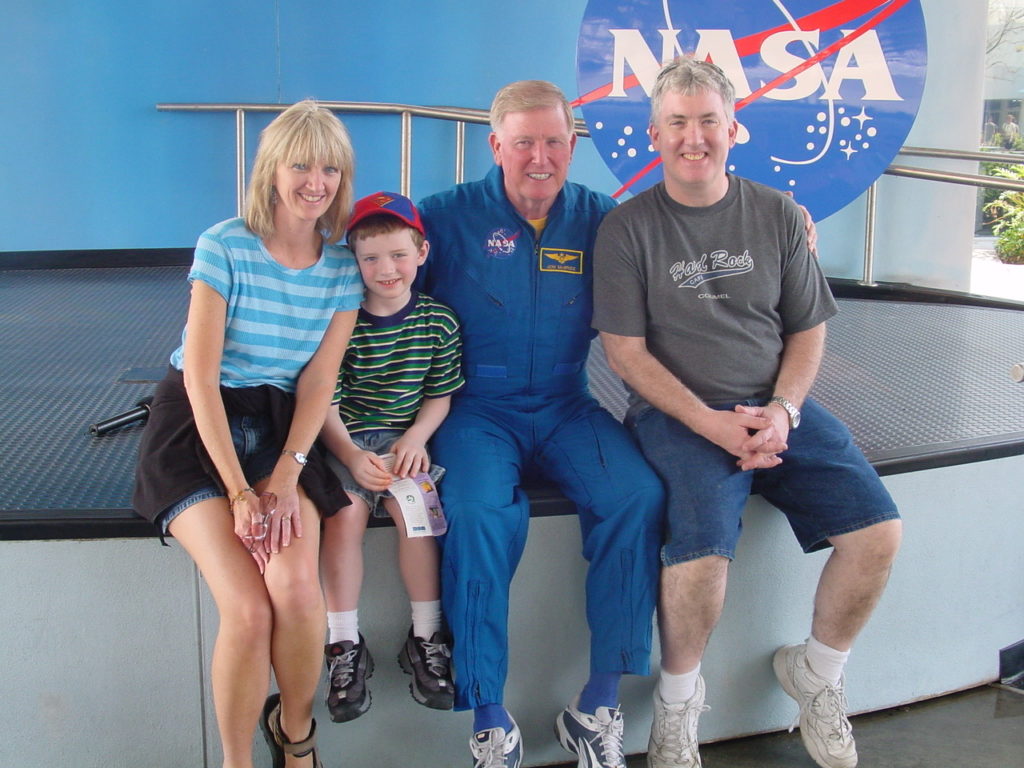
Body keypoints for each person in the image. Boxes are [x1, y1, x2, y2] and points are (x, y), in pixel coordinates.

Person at [592, 58, 902, 768]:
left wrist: (785, 411)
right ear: (653, 134)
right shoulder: (627, 229)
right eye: (677, 122)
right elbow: (627, 356)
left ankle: (817, 674)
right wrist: (712, 424)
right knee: (701, 557)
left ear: (734, 128)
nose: (692, 137)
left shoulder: (775, 214)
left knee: (878, 532)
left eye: (707, 121)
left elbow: (807, 329)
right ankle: (676, 708)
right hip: (679, 415)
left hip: (776, 407)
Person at [416, 80, 665, 768]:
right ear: (495, 145)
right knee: (475, 511)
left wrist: (777, 229)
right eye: (523, 141)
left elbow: (675, 260)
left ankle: (597, 706)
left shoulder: (602, 221)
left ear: (572, 144)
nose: (540, 156)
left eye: (554, 140)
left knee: (637, 496)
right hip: (476, 410)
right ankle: (491, 717)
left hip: (565, 402)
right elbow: (375, 287)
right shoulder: (442, 219)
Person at [132, 100, 362, 768]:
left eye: (329, 168)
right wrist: (239, 492)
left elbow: (319, 382)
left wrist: (288, 475)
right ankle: (236, 762)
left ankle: (294, 736)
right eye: (300, 165)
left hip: (282, 425)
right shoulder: (224, 244)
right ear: (271, 171)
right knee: (249, 608)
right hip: (198, 426)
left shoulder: (342, 268)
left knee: (294, 591)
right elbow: (201, 379)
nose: (314, 182)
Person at [318, 191, 463, 722]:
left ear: (421, 253)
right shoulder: (343, 321)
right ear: (354, 259)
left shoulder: (438, 322)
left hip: (404, 445)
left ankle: (425, 635)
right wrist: (352, 455)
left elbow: (439, 394)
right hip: (346, 440)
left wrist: (417, 439)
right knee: (345, 516)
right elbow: (324, 403)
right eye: (371, 257)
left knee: (419, 517)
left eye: (399, 255)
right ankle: (342, 644)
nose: (387, 269)